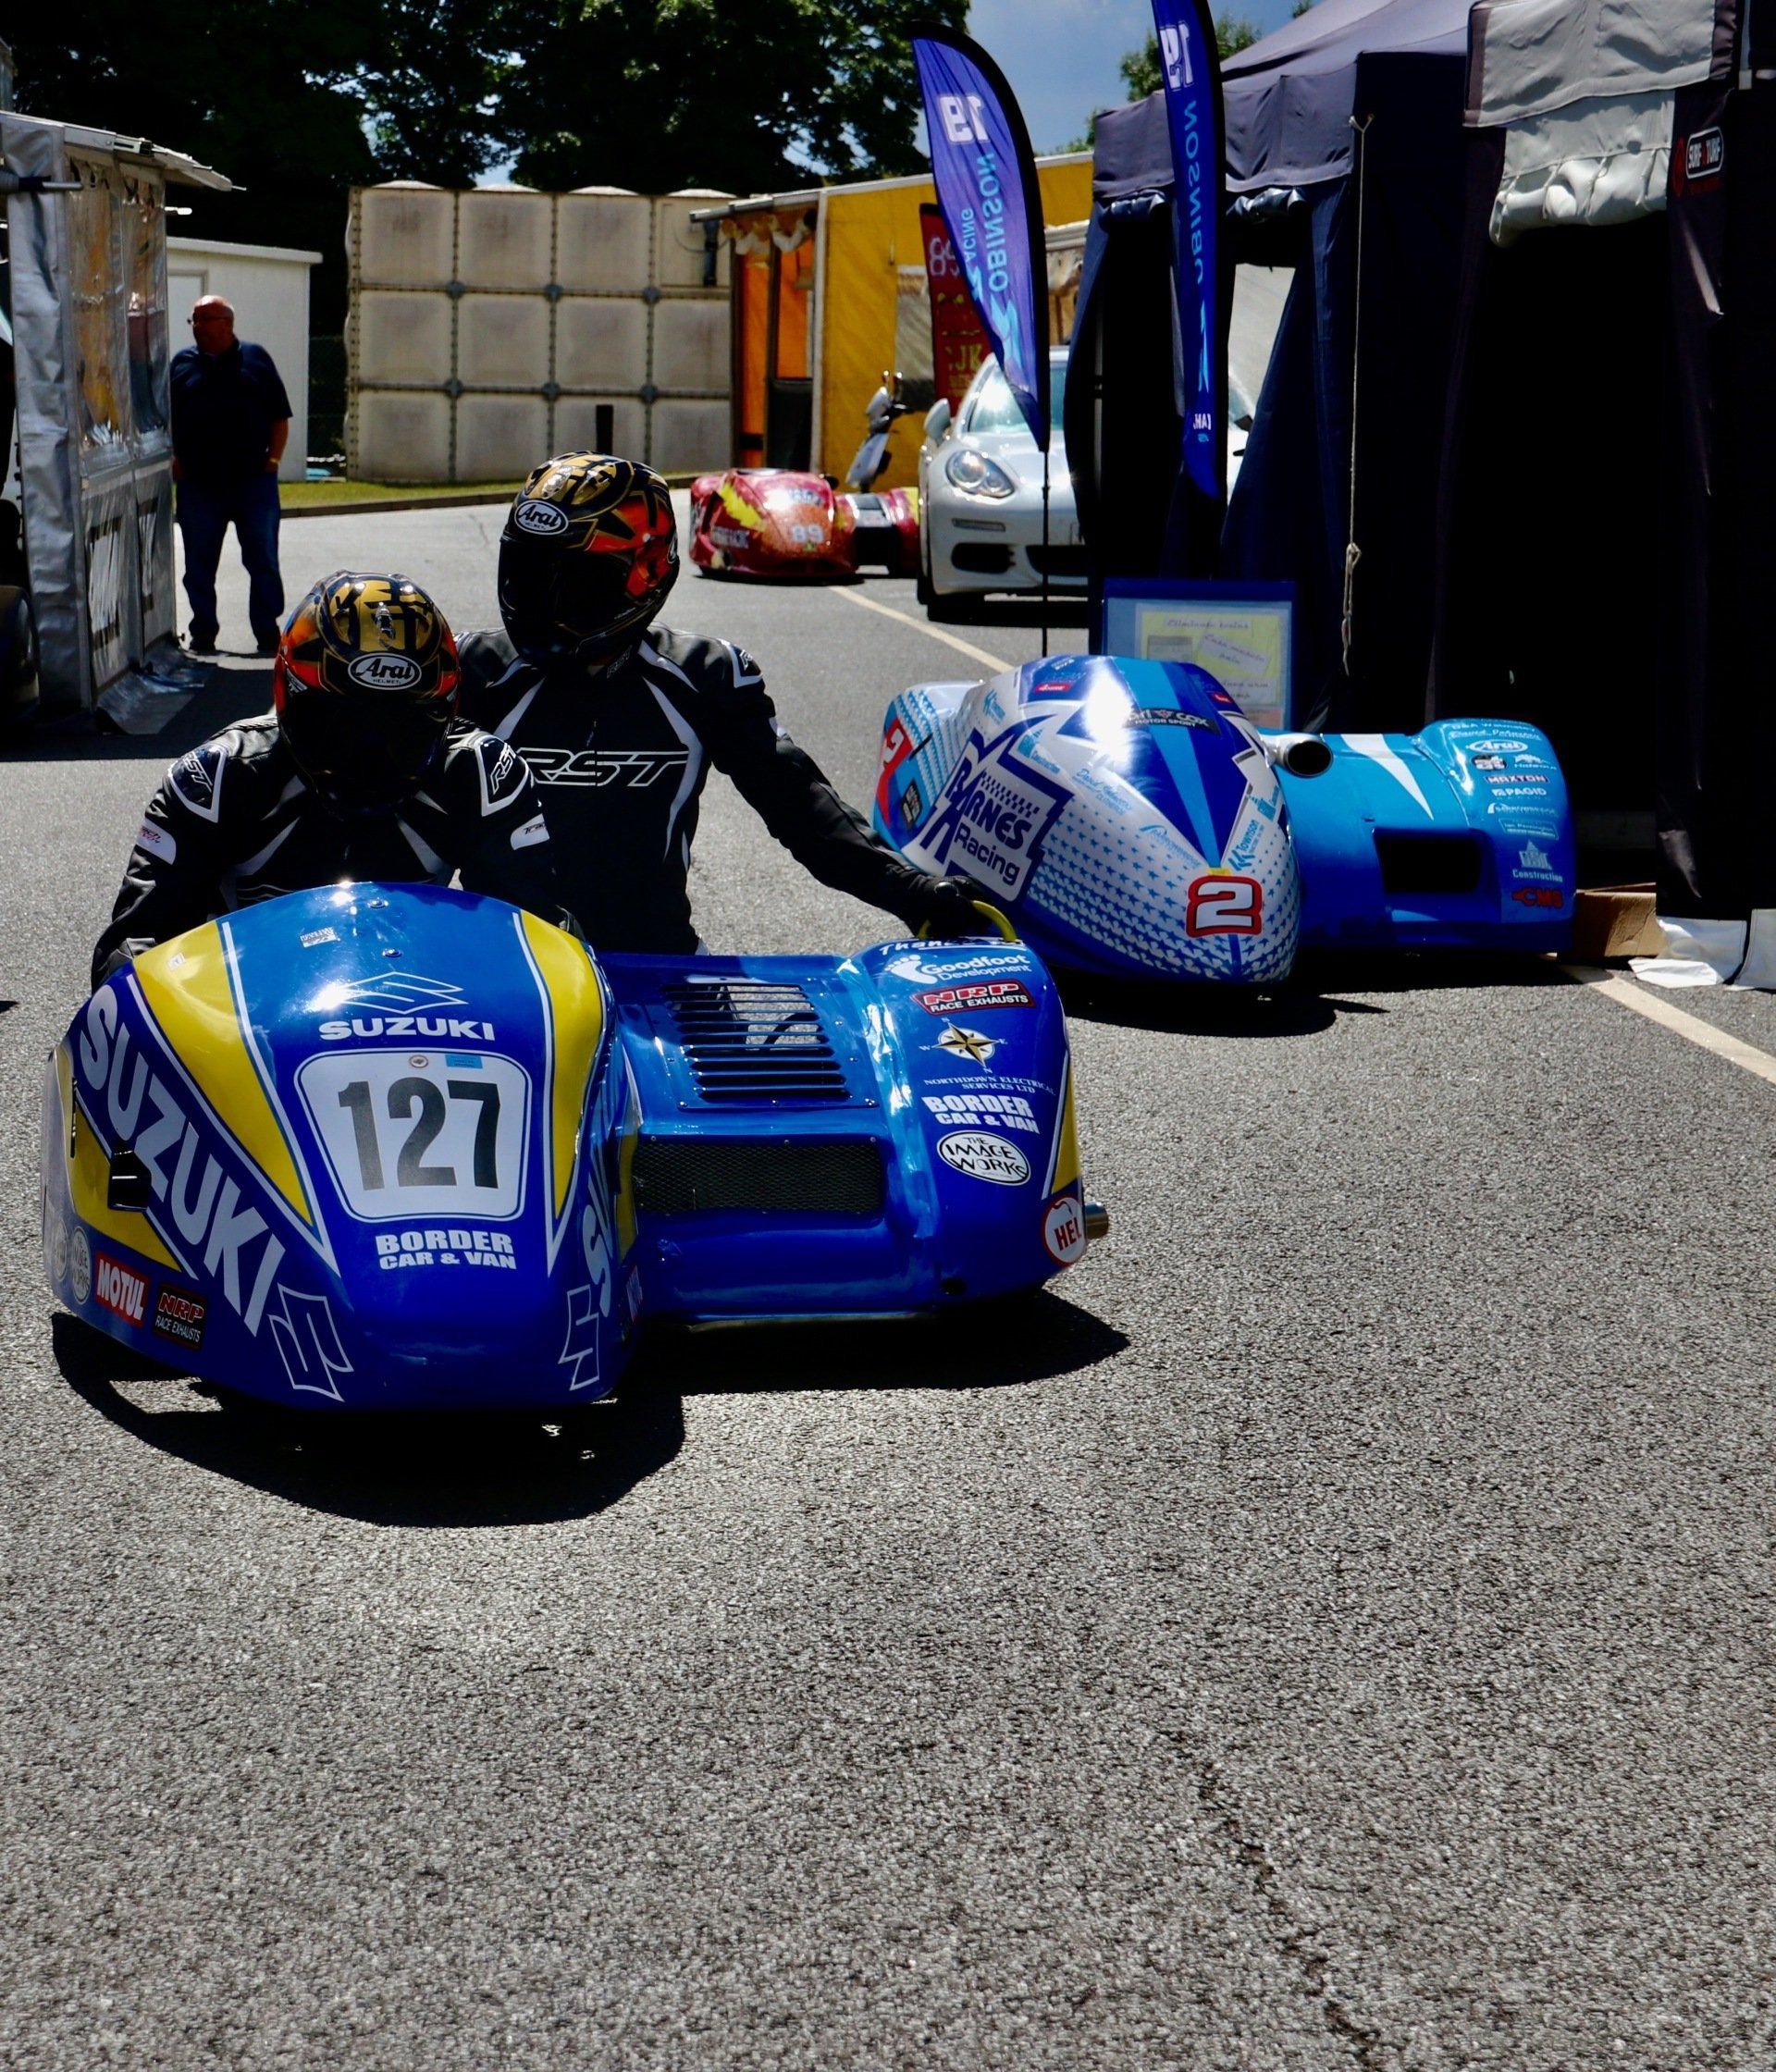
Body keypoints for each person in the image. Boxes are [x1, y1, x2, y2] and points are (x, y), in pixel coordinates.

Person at [456, 451, 982, 954]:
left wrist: (909, 890)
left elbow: (801, 808)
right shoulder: (468, 669)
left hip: (656, 964)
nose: (539, 602)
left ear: (645, 574)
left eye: (573, 583)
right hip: (499, 974)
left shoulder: (706, 675)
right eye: (529, 574)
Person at [92, 572, 572, 988]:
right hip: (247, 1023)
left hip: (425, 1010)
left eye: (401, 725)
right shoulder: (216, 780)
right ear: (289, 696)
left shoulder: (480, 775)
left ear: (444, 713)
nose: (369, 755)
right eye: (341, 723)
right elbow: (129, 958)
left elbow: (547, 945)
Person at [169, 295, 291, 656]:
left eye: (206, 319)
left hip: (253, 482)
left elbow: (279, 416)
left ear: (228, 323)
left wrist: (274, 462)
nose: (199, 327)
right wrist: (174, 458)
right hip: (199, 485)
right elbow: (165, 418)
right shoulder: (181, 364)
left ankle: (268, 634)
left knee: (263, 561)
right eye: (194, 319)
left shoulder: (256, 359)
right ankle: (203, 633)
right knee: (198, 565)